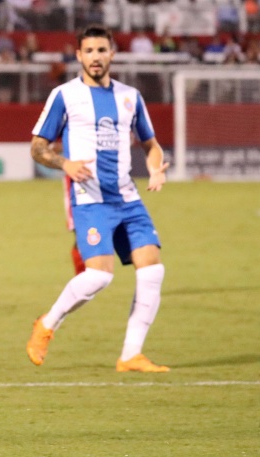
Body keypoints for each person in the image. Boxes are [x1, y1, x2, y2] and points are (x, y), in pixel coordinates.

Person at [26, 25, 170, 373]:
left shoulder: (130, 97)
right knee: (99, 277)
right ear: (79, 56)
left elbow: (150, 144)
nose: (95, 57)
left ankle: (130, 355)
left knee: (153, 269)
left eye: (101, 51)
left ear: (112, 54)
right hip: (90, 201)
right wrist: (66, 163)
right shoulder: (64, 95)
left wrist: (155, 169)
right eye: (88, 51)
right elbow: (37, 147)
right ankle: (47, 324)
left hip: (128, 199)